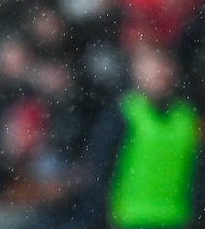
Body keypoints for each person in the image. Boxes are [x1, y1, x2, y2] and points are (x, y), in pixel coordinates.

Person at [78, 40, 204, 229]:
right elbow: (100, 168)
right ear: (136, 71)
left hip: (179, 218)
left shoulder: (188, 117)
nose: (159, 73)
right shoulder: (123, 114)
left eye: (163, 65)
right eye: (151, 66)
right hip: (130, 218)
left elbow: (199, 171)